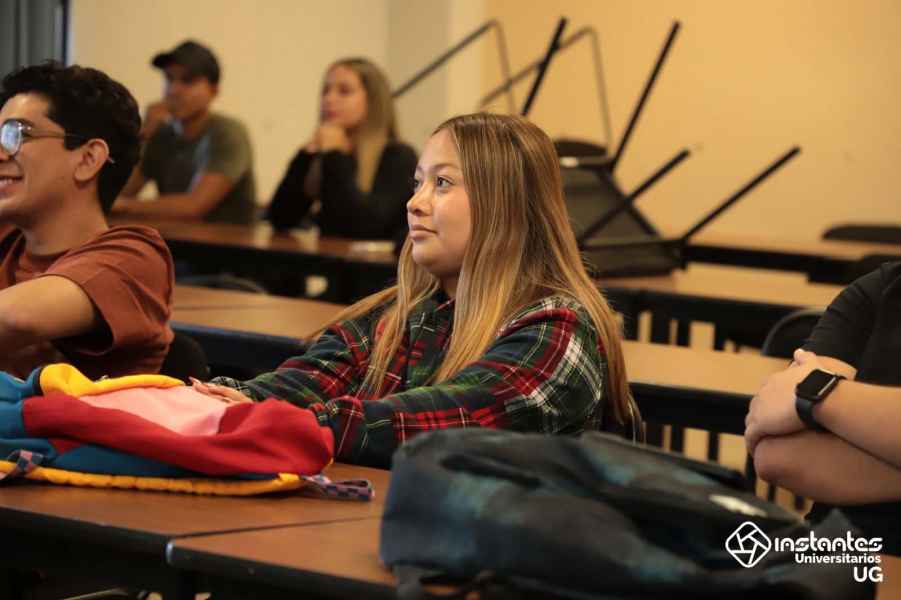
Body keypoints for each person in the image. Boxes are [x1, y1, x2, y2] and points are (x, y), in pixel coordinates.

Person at [194, 113, 637, 468]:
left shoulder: (558, 329)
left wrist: (289, 422)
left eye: (441, 183)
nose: (414, 203)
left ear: (504, 205)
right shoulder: (400, 314)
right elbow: (313, 378)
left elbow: (452, 420)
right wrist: (231, 400)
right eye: (418, 182)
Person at [0, 63, 174, 379]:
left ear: (88, 159)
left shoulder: (134, 257)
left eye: (16, 134)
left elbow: (14, 317)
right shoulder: (9, 241)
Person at [746, 262, 901, 554]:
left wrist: (822, 394)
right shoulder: (878, 291)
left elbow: (796, 401)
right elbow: (779, 454)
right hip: (838, 558)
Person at [265, 58, 417, 240]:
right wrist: (306, 156)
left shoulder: (399, 156)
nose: (329, 99)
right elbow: (280, 218)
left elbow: (364, 228)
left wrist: (334, 155)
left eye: (344, 91)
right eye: (326, 91)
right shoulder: (326, 154)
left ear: (373, 101)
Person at [114, 40, 256, 224]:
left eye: (188, 81)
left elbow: (193, 207)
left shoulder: (229, 133)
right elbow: (121, 193)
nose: (173, 90)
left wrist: (125, 205)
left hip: (229, 241)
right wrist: (142, 135)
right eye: (169, 79)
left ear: (213, 91)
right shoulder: (161, 134)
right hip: (175, 237)